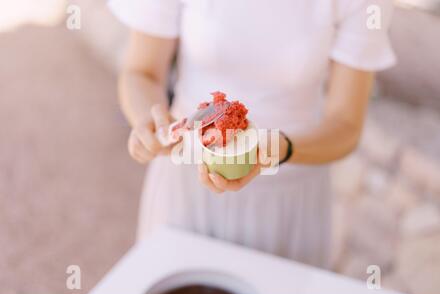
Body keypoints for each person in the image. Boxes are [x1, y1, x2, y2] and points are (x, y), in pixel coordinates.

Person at [109, 0, 396, 269]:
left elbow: (346, 124)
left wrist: (282, 150)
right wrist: (151, 122)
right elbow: (141, 72)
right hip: (186, 182)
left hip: (289, 196)